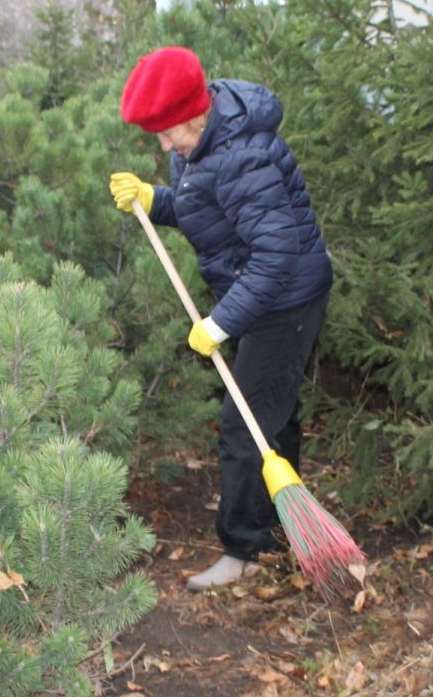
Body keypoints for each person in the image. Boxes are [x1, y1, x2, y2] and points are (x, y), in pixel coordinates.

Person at [111, 47, 333, 591]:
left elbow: (275, 255)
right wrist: (152, 199)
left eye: (168, 134)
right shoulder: (203, 145)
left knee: (244, 424)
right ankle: (280, 530)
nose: (164, 146)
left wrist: (220, 323)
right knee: (270, 415)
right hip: (257, 294)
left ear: (197, 113)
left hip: (283, 302)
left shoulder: (243, 155)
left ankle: (243, 549)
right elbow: (202, 205)